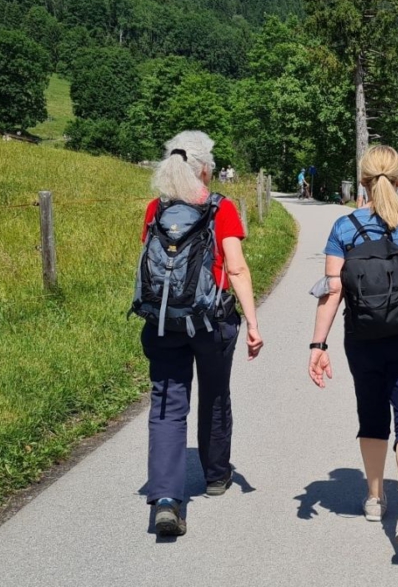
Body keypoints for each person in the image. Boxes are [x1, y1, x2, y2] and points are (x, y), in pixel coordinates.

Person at [309, 144, 398, 562]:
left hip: (363, 338)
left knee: (371, 414)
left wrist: (317, 345)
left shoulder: (344, 226)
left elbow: (331, 290)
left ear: (364, 180)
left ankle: (375, 498)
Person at [138, 131, 264, 537]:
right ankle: (215, 476)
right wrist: (253, 323)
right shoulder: (219, 207)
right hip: (212, 321)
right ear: (205, 168)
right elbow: (237, 267)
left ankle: (166, 499)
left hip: (164, 321)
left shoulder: (155, 209)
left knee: (167, 403)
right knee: (214, 393)